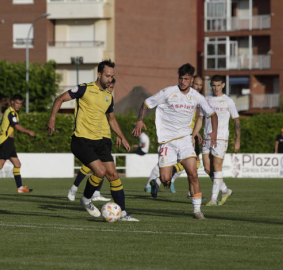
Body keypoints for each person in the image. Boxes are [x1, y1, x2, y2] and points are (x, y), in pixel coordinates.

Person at [47, 60, 139, 221]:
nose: (110, 79)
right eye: (107, 76)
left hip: (99, 142)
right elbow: (60, 99)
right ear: (99, 74)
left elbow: (111, 119)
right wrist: (52, 118)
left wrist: (122, 137)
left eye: (112, 76)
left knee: (113, 175)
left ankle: (123, 213)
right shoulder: (84, 89)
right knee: (100, 171)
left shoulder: (108, 96)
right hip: (81, 140)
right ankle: (86, 199)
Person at [132, 63, 218, 219]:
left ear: (191, 79)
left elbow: (212, 114)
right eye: (181, 78)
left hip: (185, 140)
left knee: (193, 173)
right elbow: (146, 103)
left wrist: (213, 134)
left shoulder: (196, 96)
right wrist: (140, 120)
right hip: (167, 142)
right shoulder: (168, 92)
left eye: (186, 79)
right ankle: (162, 181)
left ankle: (197, 211)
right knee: (165, 178)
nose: (183, 81)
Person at [143, 75, 204, 194]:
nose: (199, 87)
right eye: (196, 84)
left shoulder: (196, 98)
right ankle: (165, 182)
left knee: (192, 164)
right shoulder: (181, 96)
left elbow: (195, 119)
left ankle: (160, 182)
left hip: (190, 134)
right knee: (192, 164)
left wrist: (196, 133)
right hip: (183, 136)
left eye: (201, 85)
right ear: (191, 83)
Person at [67, 79, 119, 202]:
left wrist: (118, 135)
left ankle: (96, 192)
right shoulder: (96, 96)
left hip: (106, 136)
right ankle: (74, 188)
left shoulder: (108, 98)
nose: (110, 89)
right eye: (109, 87)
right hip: (97, 136)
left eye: (112, 88)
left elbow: (112, 119)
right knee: (90, 165)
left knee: (103, 168)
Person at [193, 75, 240, 206]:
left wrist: (237, 140)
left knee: (216, 166)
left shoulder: (228, 101)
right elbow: (200, 119)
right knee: (208, 169)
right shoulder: (206, 99)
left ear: (223, 85)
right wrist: (193, 135)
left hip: (220, 138)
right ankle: (225, 190)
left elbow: (236, 120)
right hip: (207, 138)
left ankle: (213, 198)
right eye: (214, 85)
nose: (216, 88)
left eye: (218, 85)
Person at [0, 94, 35, 194]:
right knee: (0, 164)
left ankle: (20, 188)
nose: (19, 105)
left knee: (17, 164)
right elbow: (17, 127)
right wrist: (29, 131)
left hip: (8, 142)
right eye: (17, 103)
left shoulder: (12, 112)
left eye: (20, 103)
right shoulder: (11, 113)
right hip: (6, 140)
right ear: (12, 102)